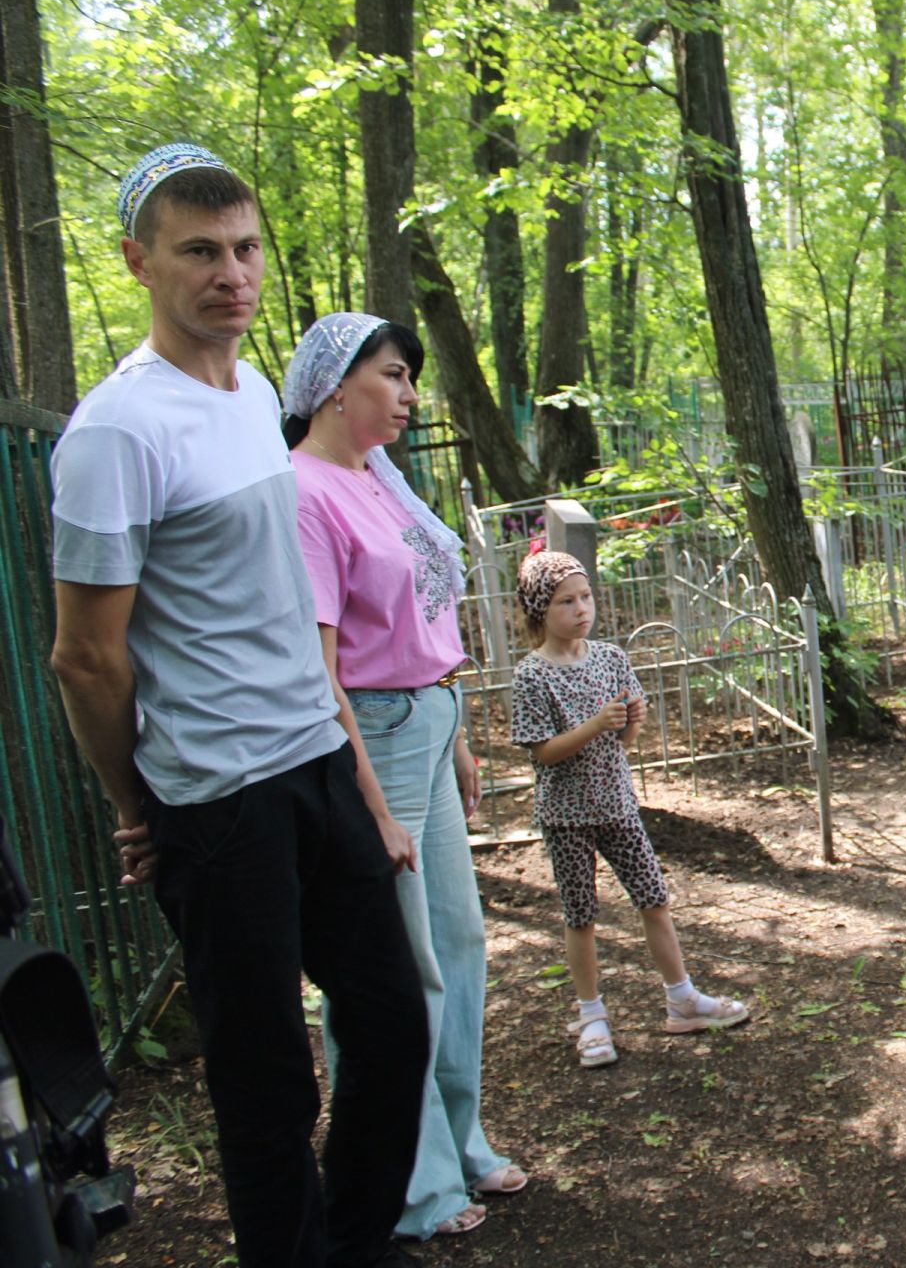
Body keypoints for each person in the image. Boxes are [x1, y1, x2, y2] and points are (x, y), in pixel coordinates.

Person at [47, 143, 428, 1266]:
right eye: (200, 251)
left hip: (314, 754)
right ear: (138, 260)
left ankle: (356, 1242)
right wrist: (136, 802)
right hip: (216, 797)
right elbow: (84, 655)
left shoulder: (255, 390)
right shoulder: (115, 431)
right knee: (267, 1083)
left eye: (246, 248)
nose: (232, 272)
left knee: (393, 1025)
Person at [281, 312, 527, 1241]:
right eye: (394, 376)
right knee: (393, 963)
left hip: (428, 716)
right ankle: (409, 1184)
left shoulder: (378, 479)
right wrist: (370, 802)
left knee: (458, 943)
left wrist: (456, 732)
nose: (411, 397)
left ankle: (457, 1137)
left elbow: (424, 621)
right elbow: (319, 664)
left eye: (411, 379)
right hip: (370, 735)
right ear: (336, 385)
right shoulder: (304, 491)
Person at [509, 551, 749, 1066]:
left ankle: (682, 998)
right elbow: (544, 754)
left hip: (617, 804)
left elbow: (624, 739)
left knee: (653, 897)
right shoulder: (532, 675)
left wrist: (631, 720)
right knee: (581, 914)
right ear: (539, 611)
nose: (580, 609)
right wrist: (596, 724)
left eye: (586, 597)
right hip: (566, 815)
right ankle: (591, 1015)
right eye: (565, 601)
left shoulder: (611, 658)